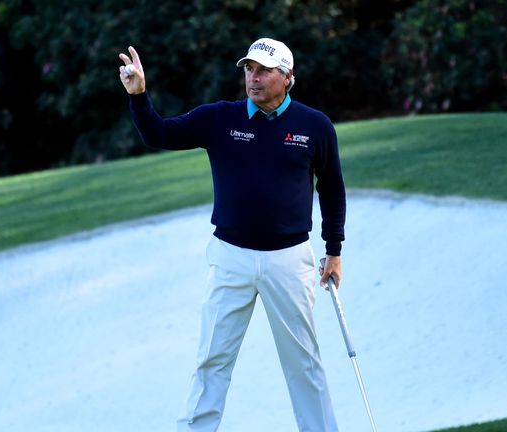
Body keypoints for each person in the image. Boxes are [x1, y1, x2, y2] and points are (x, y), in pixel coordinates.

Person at [118, 38, 346, 431]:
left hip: (289, 260)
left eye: (263, 71)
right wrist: (139, 95)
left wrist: (334, 250)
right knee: (213, 358)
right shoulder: (220, 118)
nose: (253, 79)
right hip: (230, 257)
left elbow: (332, 188)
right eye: (248, 70)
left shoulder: (314, 126)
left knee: (303, 361)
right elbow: (159, 134)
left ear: (287, 77)